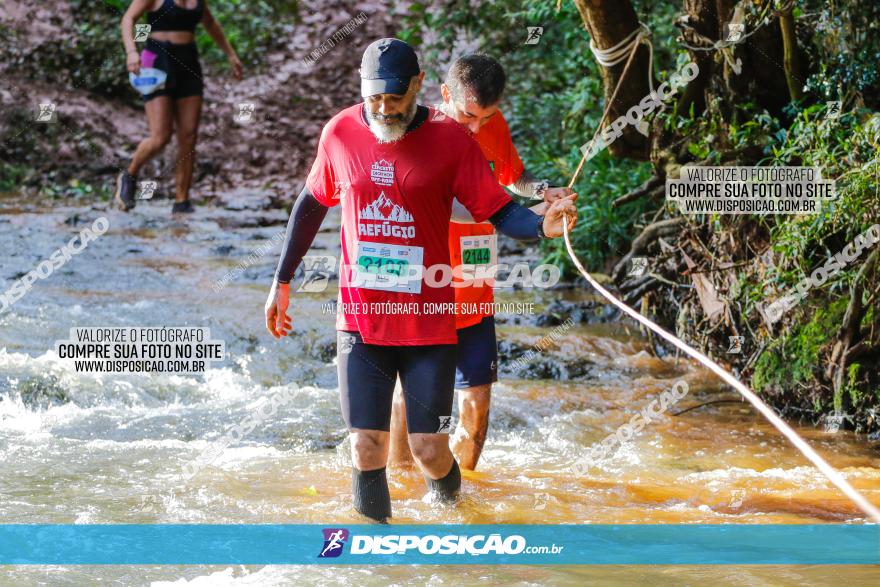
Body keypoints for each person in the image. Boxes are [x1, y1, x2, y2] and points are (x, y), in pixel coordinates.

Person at [264, 38, 578, 523]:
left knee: (429, 450)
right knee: (366, 447)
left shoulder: (452, 140)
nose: (384, 109)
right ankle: (377, 557)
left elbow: (499, 208)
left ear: (416, 87)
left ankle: (455, 527)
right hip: (362, 320)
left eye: (395, 98)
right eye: (375, 99)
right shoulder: (341, 132)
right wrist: (281, 280)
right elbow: (310, 206)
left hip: (431, 321)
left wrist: (541, 224)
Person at [388, 54, 574, 471]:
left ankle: (459, 499)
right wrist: (515, 214)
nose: (476, 127)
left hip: (475, 284)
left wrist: (541, 192)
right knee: (411, 396)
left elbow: (512, 177)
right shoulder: (419, 133)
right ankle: (398, 484)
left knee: (477, 402)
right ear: (446, 94)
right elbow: (449, 203)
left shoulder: (493, 124)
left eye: (485, 118)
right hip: (425, 288)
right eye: (468, 115)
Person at [116, 0, 242, 214]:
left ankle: (181, 200)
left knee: (189, 134)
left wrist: (230, 54)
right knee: (161, 137)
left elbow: (210, 23)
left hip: (188, 62)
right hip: (155, 60)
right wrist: (131, 51)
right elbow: (128, 18)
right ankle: (130, 174)